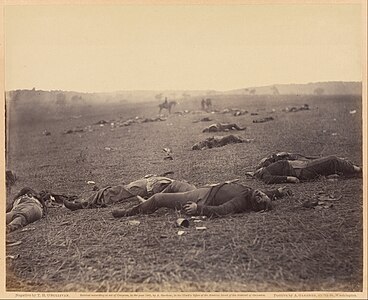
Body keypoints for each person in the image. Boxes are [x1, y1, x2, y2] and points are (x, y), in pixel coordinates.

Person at [111, 182, 291, 218]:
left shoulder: (242, 202)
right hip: (203, 189)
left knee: (158, 198)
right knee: (175, 184)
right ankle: (146, 202)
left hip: (200, 198)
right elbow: (264, 193)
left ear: (255, 206)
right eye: (263, 195)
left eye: (260, 199)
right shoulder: (253, 194)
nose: (260, 194)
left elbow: (222, 210)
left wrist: (198, 209)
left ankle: (130, 212)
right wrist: (278, 191)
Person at [63, 175, 196, 211]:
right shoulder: (191, 191)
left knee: (114, 193)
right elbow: (172, 187)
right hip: (149, 185)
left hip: (148, 187)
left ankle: (82, 204)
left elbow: (169, 193)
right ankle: (83, 203)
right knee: (115, 192)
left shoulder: (191, 194)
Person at [249, 155, 362, 184]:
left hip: (301, 166)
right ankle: (358, 170)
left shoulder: (266, 167)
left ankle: (353, 173)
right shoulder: (264, 174)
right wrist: (289, 178)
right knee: (332, 160)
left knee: (328, 166)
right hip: (301, 169)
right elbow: (269, 180)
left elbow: (269, 160)